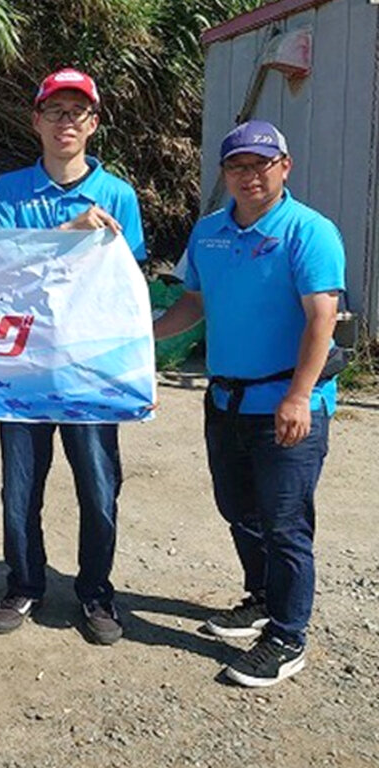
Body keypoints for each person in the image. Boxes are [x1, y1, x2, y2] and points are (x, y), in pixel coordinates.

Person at [155, 120, 344, 686]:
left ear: (284, 168)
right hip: (225, 402)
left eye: (261, 164)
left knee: (286, 524)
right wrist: (141, 337)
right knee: (238, 508)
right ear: (224, 173)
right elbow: (193, 304)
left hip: (286, 404)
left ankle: (288, 636)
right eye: (238, 166)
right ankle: (261, 597)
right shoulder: (209, 232)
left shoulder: (309, 231)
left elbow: (322, 318)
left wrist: (299, 396)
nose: (249, 175)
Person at [0, 69, 146, 644]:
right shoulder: (9, 190)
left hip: (93, 368)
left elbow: (128, 280)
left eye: (79, 112)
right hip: (22, 367)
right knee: (20, 486)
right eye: (56, 111)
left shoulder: (120, 194)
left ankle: (97, 594)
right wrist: (67, 233)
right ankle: (24, 583)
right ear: (37, 121)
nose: (66, 121)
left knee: (99, 487)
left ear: (94, 124)